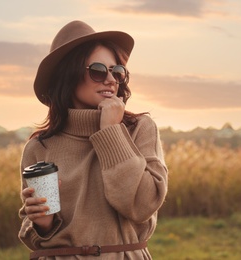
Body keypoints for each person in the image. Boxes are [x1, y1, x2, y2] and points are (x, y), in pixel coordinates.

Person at [18, 20, 168, 259]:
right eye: (98, 71)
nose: (111, 80)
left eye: (117, 71)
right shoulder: (39, 147)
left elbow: (142, 205)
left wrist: (110, 131)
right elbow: (30, 232)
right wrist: (42, 223)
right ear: (68, 75)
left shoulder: (138, 129)